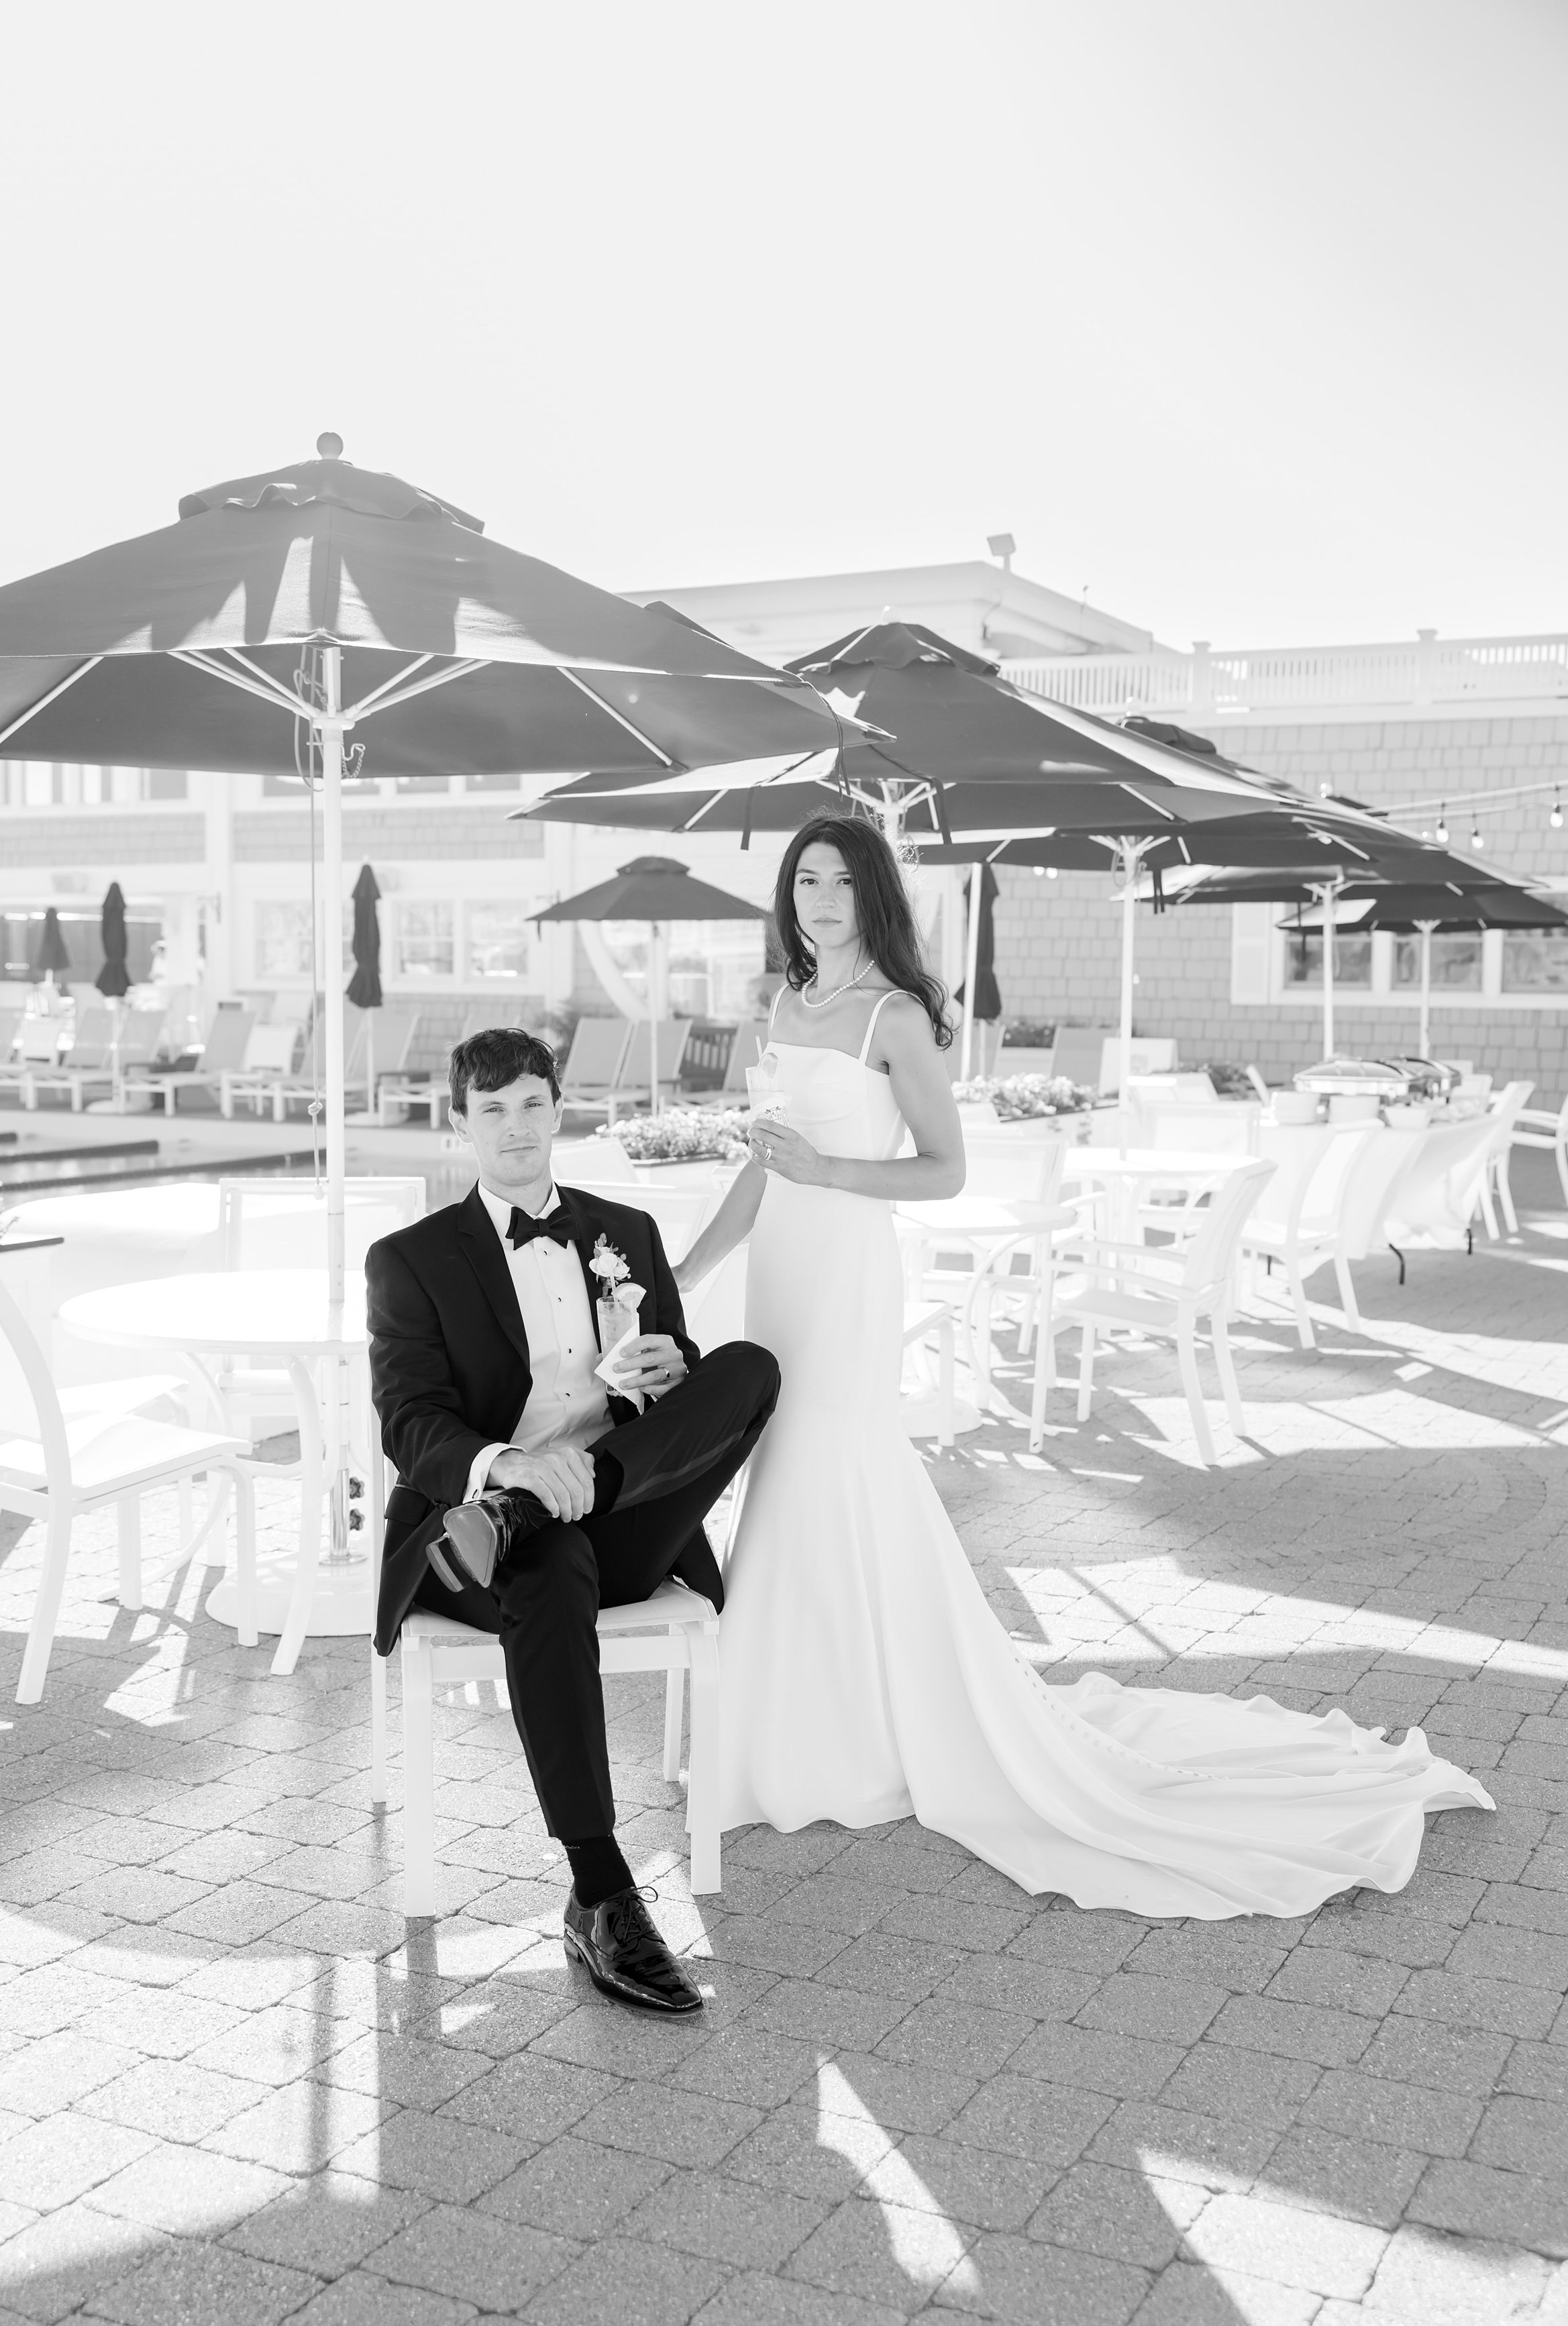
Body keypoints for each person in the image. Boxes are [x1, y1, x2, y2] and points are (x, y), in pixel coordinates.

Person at [674, 816, 1493, 1917]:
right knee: (785, 1470)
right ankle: (789, 1727)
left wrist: (828, 1166)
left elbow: (945, 1172)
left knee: (839, 1464)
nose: (820, 897)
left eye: (839, 881)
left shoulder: (896, 1016)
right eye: (803, 880)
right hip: (779, 1266)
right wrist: (690, 1267)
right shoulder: (779, 1003)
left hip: (847, 1271)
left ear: (872, 894)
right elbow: (761, 1168)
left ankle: (864, 1731)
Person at [367, 1027, 779, 2011]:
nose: (515, 1127)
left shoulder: (623, 1232)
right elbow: (409, 1420)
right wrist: (506, 1467)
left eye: (532, 1105)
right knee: (545, 1566)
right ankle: (601, 1893)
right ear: (460, 1123)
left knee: (748, 1367)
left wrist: (662, 1378)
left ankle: (551, 1499)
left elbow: (672, 1377)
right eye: (493, 1109)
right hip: (483, 1544)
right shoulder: (411, 1259)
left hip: (623, 1513)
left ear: (560, 1110)